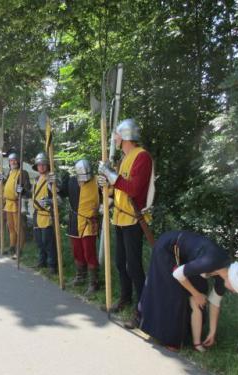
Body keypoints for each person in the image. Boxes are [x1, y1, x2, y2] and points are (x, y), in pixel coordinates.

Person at [139, 230, 238, 351]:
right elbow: (178, 274)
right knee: (175, 293)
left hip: (184, 257)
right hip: (167, 248)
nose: (234, 292)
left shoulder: (225, 275)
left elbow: (215, 303)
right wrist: (196, 294)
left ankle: (183, 336)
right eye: (236, 290)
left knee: (188, 294)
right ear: (233, 281)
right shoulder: (210, 261)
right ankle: (165, 337)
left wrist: (212, 332)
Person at [98, 118, 153, 314]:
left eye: (117, 135)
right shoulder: (123, 159)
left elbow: (134, 189)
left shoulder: (142, 157)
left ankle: (143, 305)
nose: (114, 138)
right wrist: (106, 185)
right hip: (120, 218)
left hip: (133, 219)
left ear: (126, 136)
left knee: (133, 265)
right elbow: (119, 189)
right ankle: (125, 297)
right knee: (121, 262)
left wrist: (111, 175)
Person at [60, 159, 100, 295]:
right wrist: (51, 183)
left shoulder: (97, 181)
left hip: (89, 221)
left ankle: (93, 283)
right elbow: (60, 194)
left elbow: (109, 197)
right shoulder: (71, 181)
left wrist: (102, 208)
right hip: (74, 220)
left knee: (89, 252)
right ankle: (80, 277)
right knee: (77, 250)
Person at [31, 152, 57, 274]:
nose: (41, 167)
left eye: (43, 164)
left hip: (48, 215)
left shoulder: (52, 178)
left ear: (47, 165)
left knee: (49, 242)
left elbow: (60, 198)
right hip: (37, 214)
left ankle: (52, 265)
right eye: (39, 165)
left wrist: (50, 200)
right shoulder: (36, 179)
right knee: (39, 241)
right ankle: (42, 261)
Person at [2, 152, 31, 257]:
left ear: (18, 161)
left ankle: (20, 249)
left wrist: (22, 190)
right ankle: (12, 247)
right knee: (10, 227)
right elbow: (7, 186)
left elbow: (28, 189)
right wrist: (2, 180)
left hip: (17, 202)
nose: (13, 162)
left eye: (14, 160)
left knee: (19, 227)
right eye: (11, 161)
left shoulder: (23, 173)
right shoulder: (10, 172)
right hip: (8, 203)